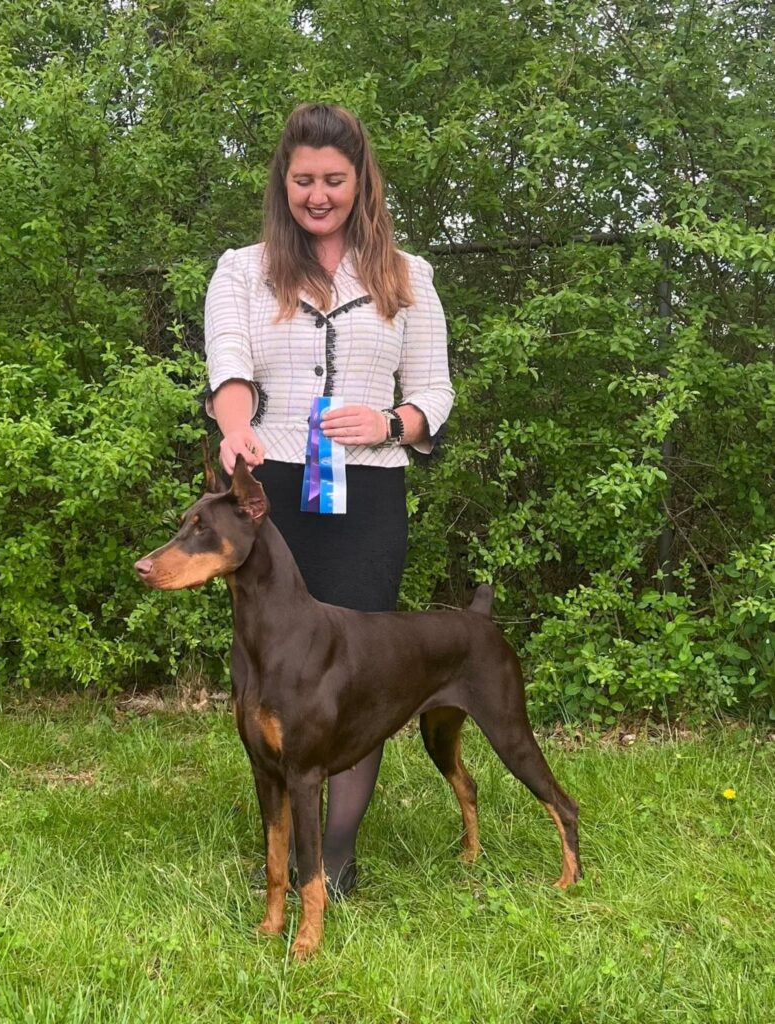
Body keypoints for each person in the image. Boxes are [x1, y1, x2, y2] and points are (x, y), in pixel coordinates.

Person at [204, 103, 454, 897]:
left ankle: (334, 859)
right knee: (270, 673)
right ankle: (282, 852)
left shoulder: (409, 276)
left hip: (369, 494)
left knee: (356, 677)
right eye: (303, 179)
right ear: (283, 182)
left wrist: (389, 422)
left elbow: (434, 391)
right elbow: (229, 367)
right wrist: (235, 430)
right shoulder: (241, 270)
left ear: (360, 181)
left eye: (334, 180)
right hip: (269, 495)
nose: (318, 195)